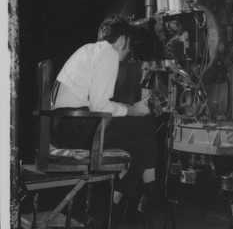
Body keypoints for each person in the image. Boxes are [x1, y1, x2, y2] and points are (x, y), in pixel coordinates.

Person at [52, 15, 157, 215]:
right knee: (144, 125)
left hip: (63, 127)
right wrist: (134, 110)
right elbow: (100, 106)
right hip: (76, 129)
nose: (129, 50)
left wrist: (130, 109)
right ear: (123, 39)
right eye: (129, 44)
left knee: (140, 137)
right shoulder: (108, 54)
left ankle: (127, 195)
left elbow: (97, 104)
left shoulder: (88, 50)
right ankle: (143, 189)